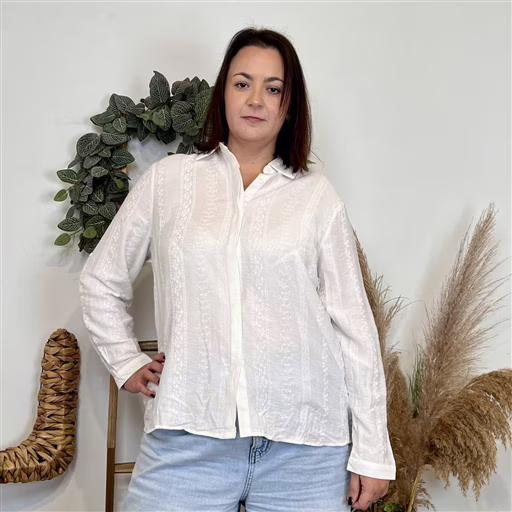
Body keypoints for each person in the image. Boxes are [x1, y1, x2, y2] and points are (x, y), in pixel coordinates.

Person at [79, 27, 396, 512]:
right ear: (223, 92)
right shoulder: (169, 182)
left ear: (289, 106)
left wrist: (373, 452)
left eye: (273, 88)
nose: (255, 100)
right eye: (242, 83)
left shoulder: (316, 198)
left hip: (305, 449)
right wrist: (126, 361)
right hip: (187, 438)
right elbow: (102, 280)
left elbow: (354, 328)